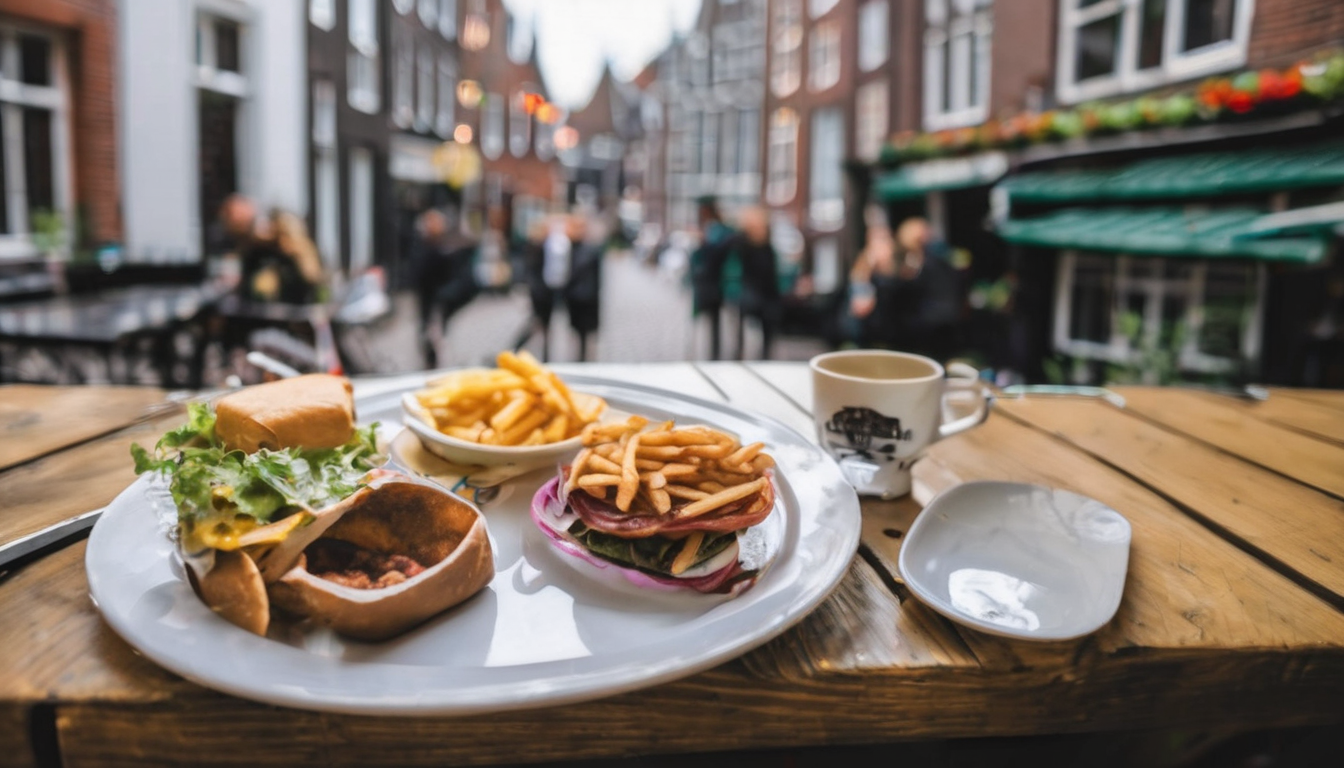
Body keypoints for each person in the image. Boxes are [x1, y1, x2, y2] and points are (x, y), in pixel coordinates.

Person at [413, 208, 479, 368]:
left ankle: (438, 363)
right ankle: (432, 362)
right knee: (430, 333)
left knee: (438, 334)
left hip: (440, 300)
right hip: (430, 299)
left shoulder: (444, 248)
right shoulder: (428, 247)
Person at [725, 206, 782, 360]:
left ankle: (756, 357)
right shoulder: (741, 243)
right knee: (750, 329)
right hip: (751, 295)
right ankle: (748, 356)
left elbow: (771, 275)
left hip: (759, 295)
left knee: (762, 327)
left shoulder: (764, 245)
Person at [690, 196, 734, 360]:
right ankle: (713, 355)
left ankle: (714, 356)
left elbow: (710, 257)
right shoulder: (718, 230)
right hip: (712, 284)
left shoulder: (715, 231)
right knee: (714, 324)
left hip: (714, 284)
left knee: (715, 324)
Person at [511, 217, 558, 361]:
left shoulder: (535, 246)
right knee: (538, 324)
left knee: (542, 325)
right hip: (541, 292)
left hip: (541, 291)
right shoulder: (538, 247)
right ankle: (518, 348)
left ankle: (544, 355)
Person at [563, 212, 603, 362]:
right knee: (579, 332)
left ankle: (583, 359)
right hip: (579, 297)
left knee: (584, 333)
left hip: (584, 298)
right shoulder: (573, 248)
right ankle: (581, 358)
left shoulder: (585, 250)